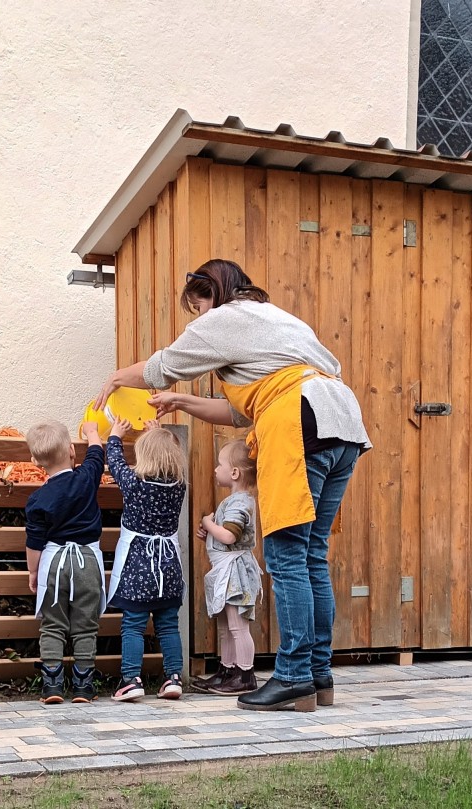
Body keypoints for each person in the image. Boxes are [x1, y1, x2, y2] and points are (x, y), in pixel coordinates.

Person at [95, 259, 370, 713]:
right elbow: (243, 413)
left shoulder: (227, 317)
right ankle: (318, 676)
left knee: (286, 556)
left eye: (197, 305)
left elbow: (164, 364)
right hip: (340, 422)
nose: (197, 317)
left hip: (298, 421)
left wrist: (115, 378)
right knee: (311, 553)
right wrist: (183, 400)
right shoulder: (276, 320)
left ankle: (294, 677)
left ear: (214, 293)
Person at [103, 419, 188, 702]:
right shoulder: (179, 486)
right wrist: (155, 434)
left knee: (133, 623)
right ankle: (174, 677)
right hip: (169, 566)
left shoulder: (135, 484)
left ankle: (131, 678)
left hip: (138, 565)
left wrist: (115, 436)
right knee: (168, 625)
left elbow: (114, 462)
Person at [25, 420, 107, 704]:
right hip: (87, 561)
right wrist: (93, 433)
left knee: (52, 624)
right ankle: (83, 686)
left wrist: (33, 573)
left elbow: (34, 542)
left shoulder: (37, 499)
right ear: (72, 451)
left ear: (36, 462)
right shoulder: (86, 478)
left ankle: (52, 685)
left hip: (54, 562)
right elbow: (97, 455)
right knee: (86, 624)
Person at [193, 439, 262, 696]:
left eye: (220, 465)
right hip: (225, 572)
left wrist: (208, 523)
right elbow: (224, 534)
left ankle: (245, 674)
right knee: (225, 625)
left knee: (237, 625)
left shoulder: (240, 503)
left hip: (235, 573)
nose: (215, 469)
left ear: (234, 473)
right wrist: (210, 532)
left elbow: (229, 537)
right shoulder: (232, 501)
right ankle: (227, 670)